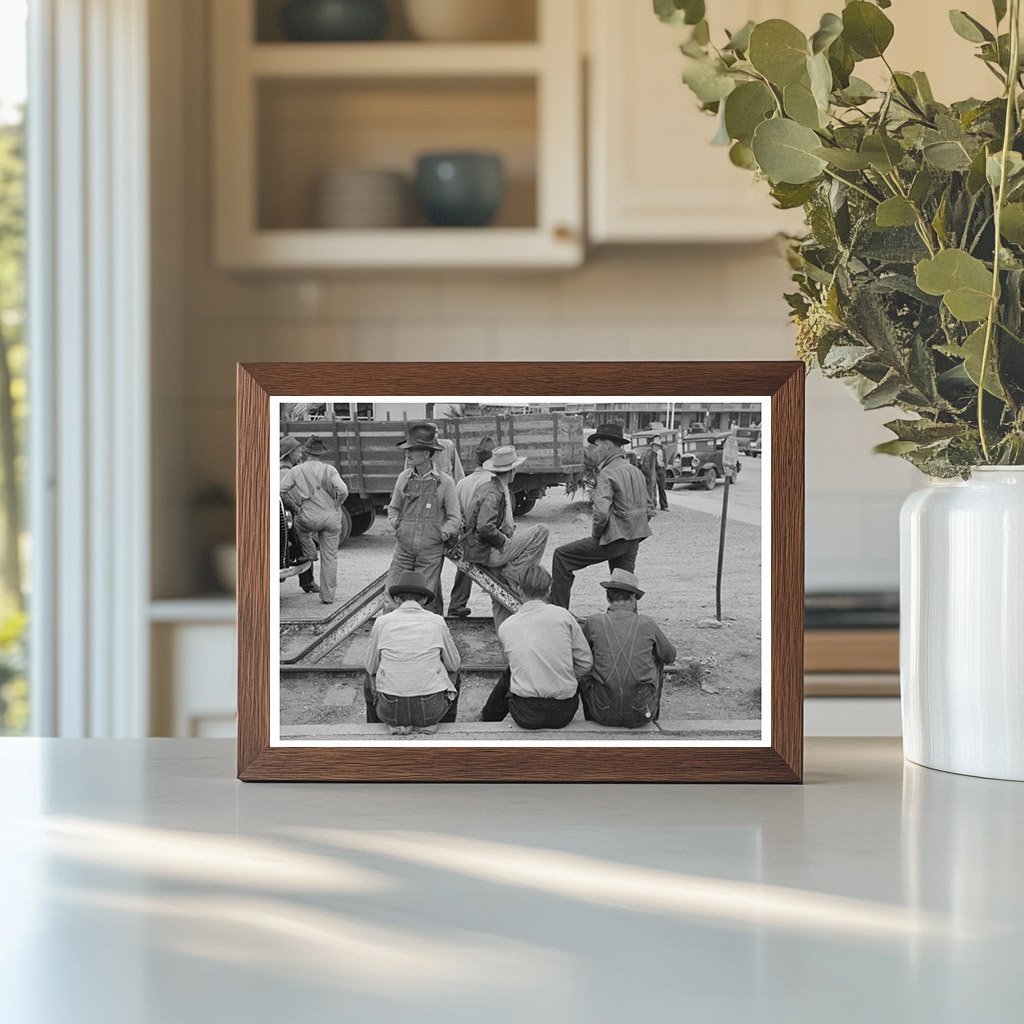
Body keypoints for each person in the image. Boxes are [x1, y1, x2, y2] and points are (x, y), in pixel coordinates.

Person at [550, 423, 652, 609]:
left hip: (615, 538)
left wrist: (598, 537)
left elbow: (601, 513)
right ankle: (629, 624)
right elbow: (650, 507)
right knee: (624, 583)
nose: (594, 450)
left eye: (597, 445)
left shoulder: (608, 472)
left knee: (561, 557)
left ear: (608, 445)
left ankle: (559, 614)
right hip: (634, 538)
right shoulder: (635, 471)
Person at [480, 565, 592, 730]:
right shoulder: (563, 616)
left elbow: (518, 666)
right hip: (564, 713)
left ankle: (487, 719)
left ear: (519, 590)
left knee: (511, 671)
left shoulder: (506, 626)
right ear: (547, 592)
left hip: (526, 713)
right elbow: (585, 663)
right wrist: (563, 676)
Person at [462, 445, 549, 629]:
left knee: (499, 596)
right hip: (488, 552)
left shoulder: (492, 487)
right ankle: (515, 571)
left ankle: (504, 633)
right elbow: (485, 526)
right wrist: (504, 541)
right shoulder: (494, 492)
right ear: (512, 471)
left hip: (480, 551)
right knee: (540, 531)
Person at [363, 570, 461, 732]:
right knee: (455, 674)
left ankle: (379, 727)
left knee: (370, 676)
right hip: (430, 712)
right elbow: (454, 664)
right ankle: (444, 725)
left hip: (391, 712)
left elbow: (371, 667)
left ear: (396, 599)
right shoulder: (437, 622)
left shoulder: (382, 622)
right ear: (423, 600)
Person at [579, 569, 677, 728]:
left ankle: (590, 716)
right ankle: (652, 714)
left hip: (601, 712)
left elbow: (579, 656)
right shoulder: (647, 623)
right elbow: (670, 656)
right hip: (640, 713)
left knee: (585, 662)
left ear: (607, 597)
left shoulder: (593, 622)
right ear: (633, 598)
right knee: (658, 658)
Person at [386, 425, 461, 615]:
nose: (407, 454)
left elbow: (455, 519)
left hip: (430, 552)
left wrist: (438, 535)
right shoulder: (404, 478)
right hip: (403, 549)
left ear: (427, 453)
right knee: (391, 598)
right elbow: (393, 509)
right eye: (408, 449)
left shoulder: (445, 482)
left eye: (413, 449)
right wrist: (399, 527)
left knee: (424, 600)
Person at [280, 436, 348, 604]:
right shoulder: (330, 470)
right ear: (320, 453)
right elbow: (343, 490)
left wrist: (297, 508)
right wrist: (337, 502)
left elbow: (280, 491)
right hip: (331, 517)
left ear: (306, 451)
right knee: (330, 557)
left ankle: (310, 552)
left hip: (309, 517)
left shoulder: (296, 471)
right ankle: (327, 596)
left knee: (299, 528)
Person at [448, 437, 495, 617]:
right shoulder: (494, 481)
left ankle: (457, 603)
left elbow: (457, 515)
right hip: (489, 538)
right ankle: (503, 603)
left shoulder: (462, 483)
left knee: (465, 564)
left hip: (467, 538)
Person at [279, 435, 317, 594]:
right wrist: (298, 508)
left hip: (295, 512)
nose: (301, 454)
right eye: (298, 452)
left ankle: (308, 580)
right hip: (291, 514)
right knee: (304, 544)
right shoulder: (284, 472)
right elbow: (285, 495)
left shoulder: (291, 469)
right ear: (290, 453)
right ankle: (307, 582)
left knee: (304, 544)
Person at [400, 421, 464, 484]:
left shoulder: (448, 446)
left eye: (436, 432)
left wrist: (460, 490)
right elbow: (406, 475)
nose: (434, 435)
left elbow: (458, 472)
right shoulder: (414, 452)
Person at [640, 436, 659, 513]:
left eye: (658, 446)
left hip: (653, 478)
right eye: (656, 446)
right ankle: (649, 508)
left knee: (653, 493)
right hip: (650, 478)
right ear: (653, 446)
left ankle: (652, 506)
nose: (658, 448)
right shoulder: (649, 454)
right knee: (649, 493)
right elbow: (646, 467)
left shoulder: (654, 454)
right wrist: (650, 476)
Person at [652, 434, 670, 511]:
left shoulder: (663, 449)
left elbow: (666, 458)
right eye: (655, 440)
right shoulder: (651, 450)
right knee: (652, 488)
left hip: (661, 469)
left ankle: (664, 505)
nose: (657, 442)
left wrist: (664, 467)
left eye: (658, 440)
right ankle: (653, 504)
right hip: (654, 469)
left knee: (662, 488)